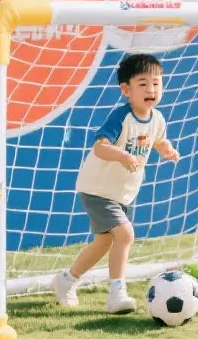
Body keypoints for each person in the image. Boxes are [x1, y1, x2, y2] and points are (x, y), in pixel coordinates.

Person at [51, 53, 181, 313]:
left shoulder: (157, 118)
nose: (151, 89)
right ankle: (116, 294)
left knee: (104, 243)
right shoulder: (122, 117)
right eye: (143, 84)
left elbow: (157, 139)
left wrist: (166, 149)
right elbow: (100, 148)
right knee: (125, 235)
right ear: (126, 90)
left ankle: (66, 280)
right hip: (98, 189)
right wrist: (122, 155)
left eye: (156, 83)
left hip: (124, 193)